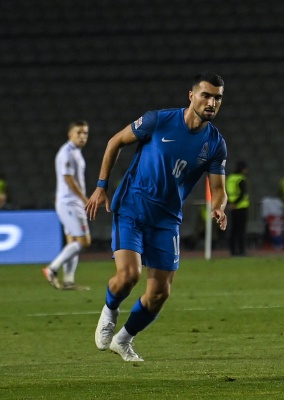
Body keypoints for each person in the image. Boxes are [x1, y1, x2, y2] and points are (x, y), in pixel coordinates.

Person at [85, 72, 228, 362]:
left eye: (218, 98)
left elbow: (219, 189)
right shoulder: (158, 120)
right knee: (128, 276)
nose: (212, 102)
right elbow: (114, 142)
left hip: (167, 219)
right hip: (133, 207)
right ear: (191, 96)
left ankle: (123, 340)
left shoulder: (215, 144)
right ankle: (110, 311)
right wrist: (101, 187)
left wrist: (219, 206)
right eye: (206, 95)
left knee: (160, 293)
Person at [43, 121, 92, 290]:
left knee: (72, 241)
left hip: (71, 203)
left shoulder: (76, 152)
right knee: (84, 242)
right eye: (79, 133)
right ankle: (52, 269)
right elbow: (68, 178)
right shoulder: (66, 152)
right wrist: (85, 199)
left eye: (85, 133)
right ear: (70, 134)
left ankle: (69, 281)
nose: (82, 136)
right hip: (70, 203)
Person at [226, 161, 249, 256]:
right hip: (241, 207)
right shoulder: (241, 179)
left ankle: (233, 251)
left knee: (233, 230)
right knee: (241, 230)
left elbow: (226, 192)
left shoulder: (230, 178)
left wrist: (229, 204)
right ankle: (241, 251)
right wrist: (235, 203)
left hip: (232, 208)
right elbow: (242, 194)